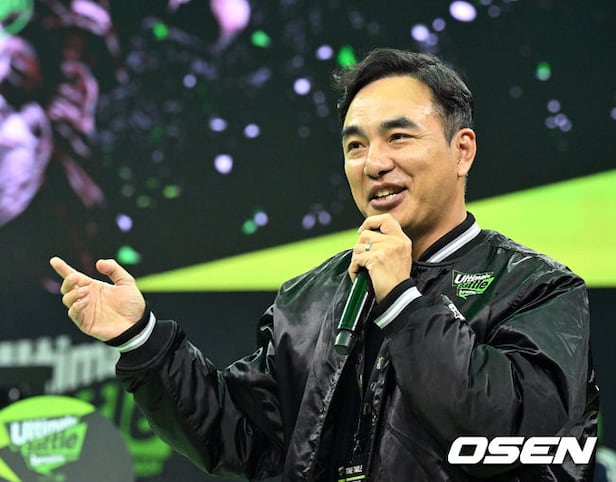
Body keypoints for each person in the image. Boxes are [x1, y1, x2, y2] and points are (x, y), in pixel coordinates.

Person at [50, 48, 599, 481]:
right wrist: (141, 338)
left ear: (463, 150)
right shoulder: (308, 298)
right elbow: (242, 439)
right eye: (355, 146)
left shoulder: (537, 289)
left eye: (398, 137)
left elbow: (520, 440)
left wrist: (403, 302)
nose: (374, 163)